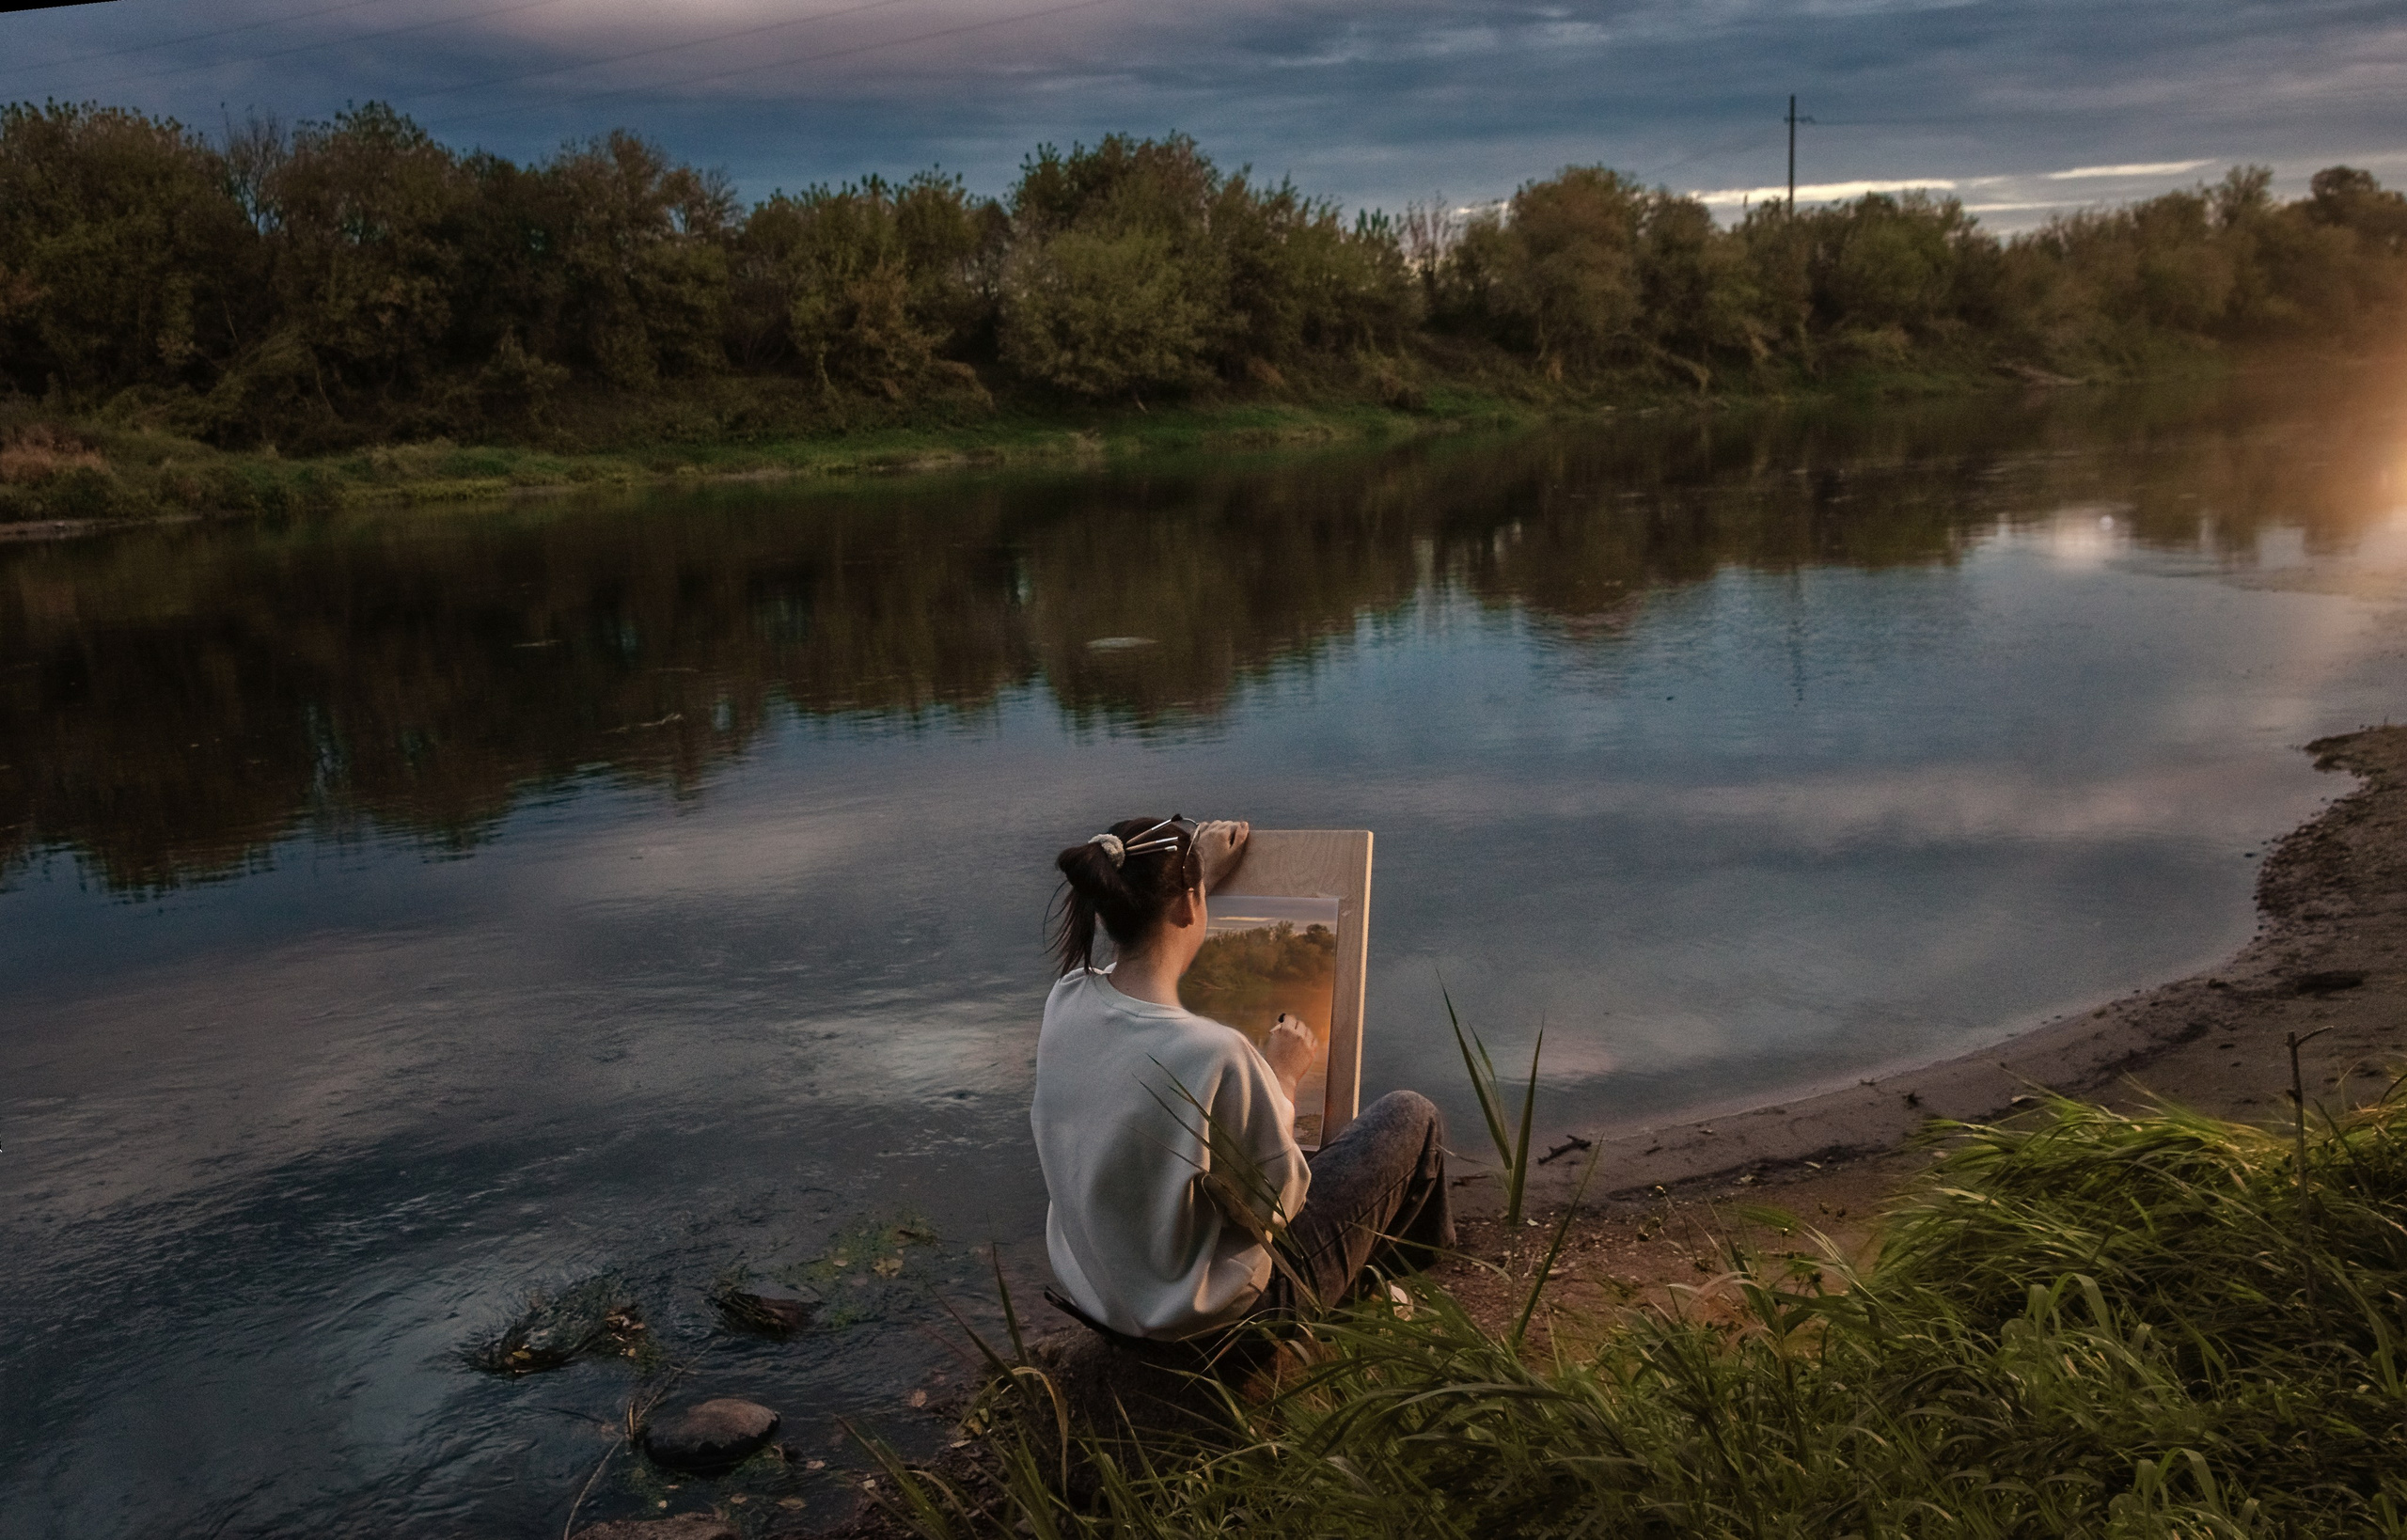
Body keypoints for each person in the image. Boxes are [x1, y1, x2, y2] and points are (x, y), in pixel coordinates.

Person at [1030, 813, 1453, 1342]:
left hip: (1108, 1300)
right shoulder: (1218, 1053)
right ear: (1188, 903)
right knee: (1412, 1116)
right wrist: (1282, 1076)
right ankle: (1369, 1294)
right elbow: (1278, 1207)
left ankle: (1364, 1291)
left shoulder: (1066, 999)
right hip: (1218, 1327)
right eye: (1196, 892)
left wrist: (1196, 871)